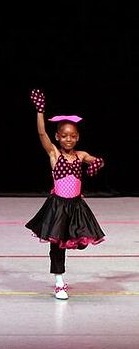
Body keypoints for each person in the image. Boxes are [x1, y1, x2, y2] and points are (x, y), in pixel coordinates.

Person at [26, 89, 105, 300]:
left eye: (72, 136)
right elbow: (41, 133)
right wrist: (40, 111)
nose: (68, 139)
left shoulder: (80, 155)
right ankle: (59, 282)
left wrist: (97, 162)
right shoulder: (54, 154)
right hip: (58, 206)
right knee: (57, 244)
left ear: (77, 137)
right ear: (57, 137)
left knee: (78, 241)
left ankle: (61, 278)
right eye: (64, 136)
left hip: (77, 206)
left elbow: (92, 159)